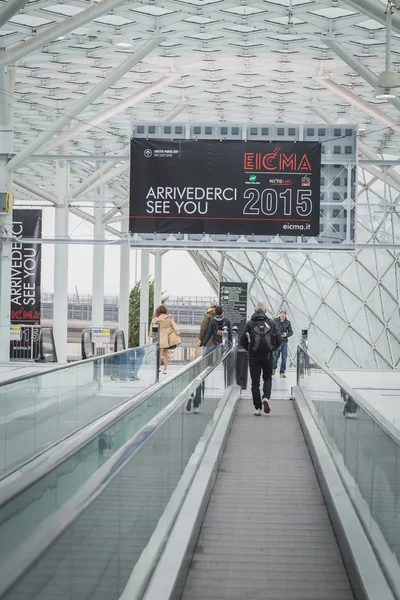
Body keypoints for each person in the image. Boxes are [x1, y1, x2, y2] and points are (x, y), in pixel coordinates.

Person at [240, 302, 281, 416]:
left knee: (255, 382)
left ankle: (257, 408)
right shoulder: (271, 323)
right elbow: (279, 339)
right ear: (265, 311)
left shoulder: (250, 323)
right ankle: (266, 397)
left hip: (254, 356)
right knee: (267, 378)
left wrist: (249, 349)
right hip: (268, 355)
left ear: (255, 311)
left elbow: (242, 340)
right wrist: (272, 349)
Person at [149, 305, 180, 375]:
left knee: (158, 353)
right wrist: (177, 331)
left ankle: (158, 367)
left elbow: (152, 328)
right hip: (167, 337)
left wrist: (150, 336)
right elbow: (174, 324)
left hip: (159, 337)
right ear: (165, 310)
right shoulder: (169, 317)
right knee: (165, 353)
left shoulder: (155, 318)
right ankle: (165, 369)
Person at [273, 310, 293, 378]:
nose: (282, 315)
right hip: (277, 341)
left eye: (284, 314)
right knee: (275, 357)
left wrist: (286, 334)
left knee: (284, 358)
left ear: (285, 315)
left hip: (284, 342)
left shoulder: (288, 322)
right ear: (280, 314)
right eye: (281, 313)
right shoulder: (275, 321)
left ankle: (282, 372)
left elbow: (291, 332)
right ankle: (273, 368)